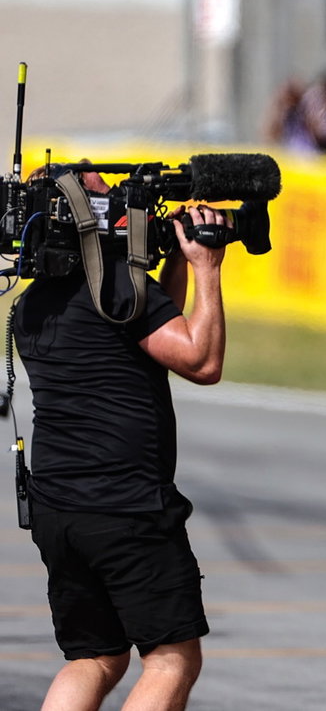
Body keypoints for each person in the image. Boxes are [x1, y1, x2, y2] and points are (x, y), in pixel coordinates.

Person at [15, 175, 230, 711]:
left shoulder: (31, 306)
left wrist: (174, 262)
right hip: (126, 509)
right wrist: (207, 268)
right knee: (172, 658)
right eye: (107, 194)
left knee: (94, 659)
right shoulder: (113, 287)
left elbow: (148, 329)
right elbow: (199, 360)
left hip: (59, 510)